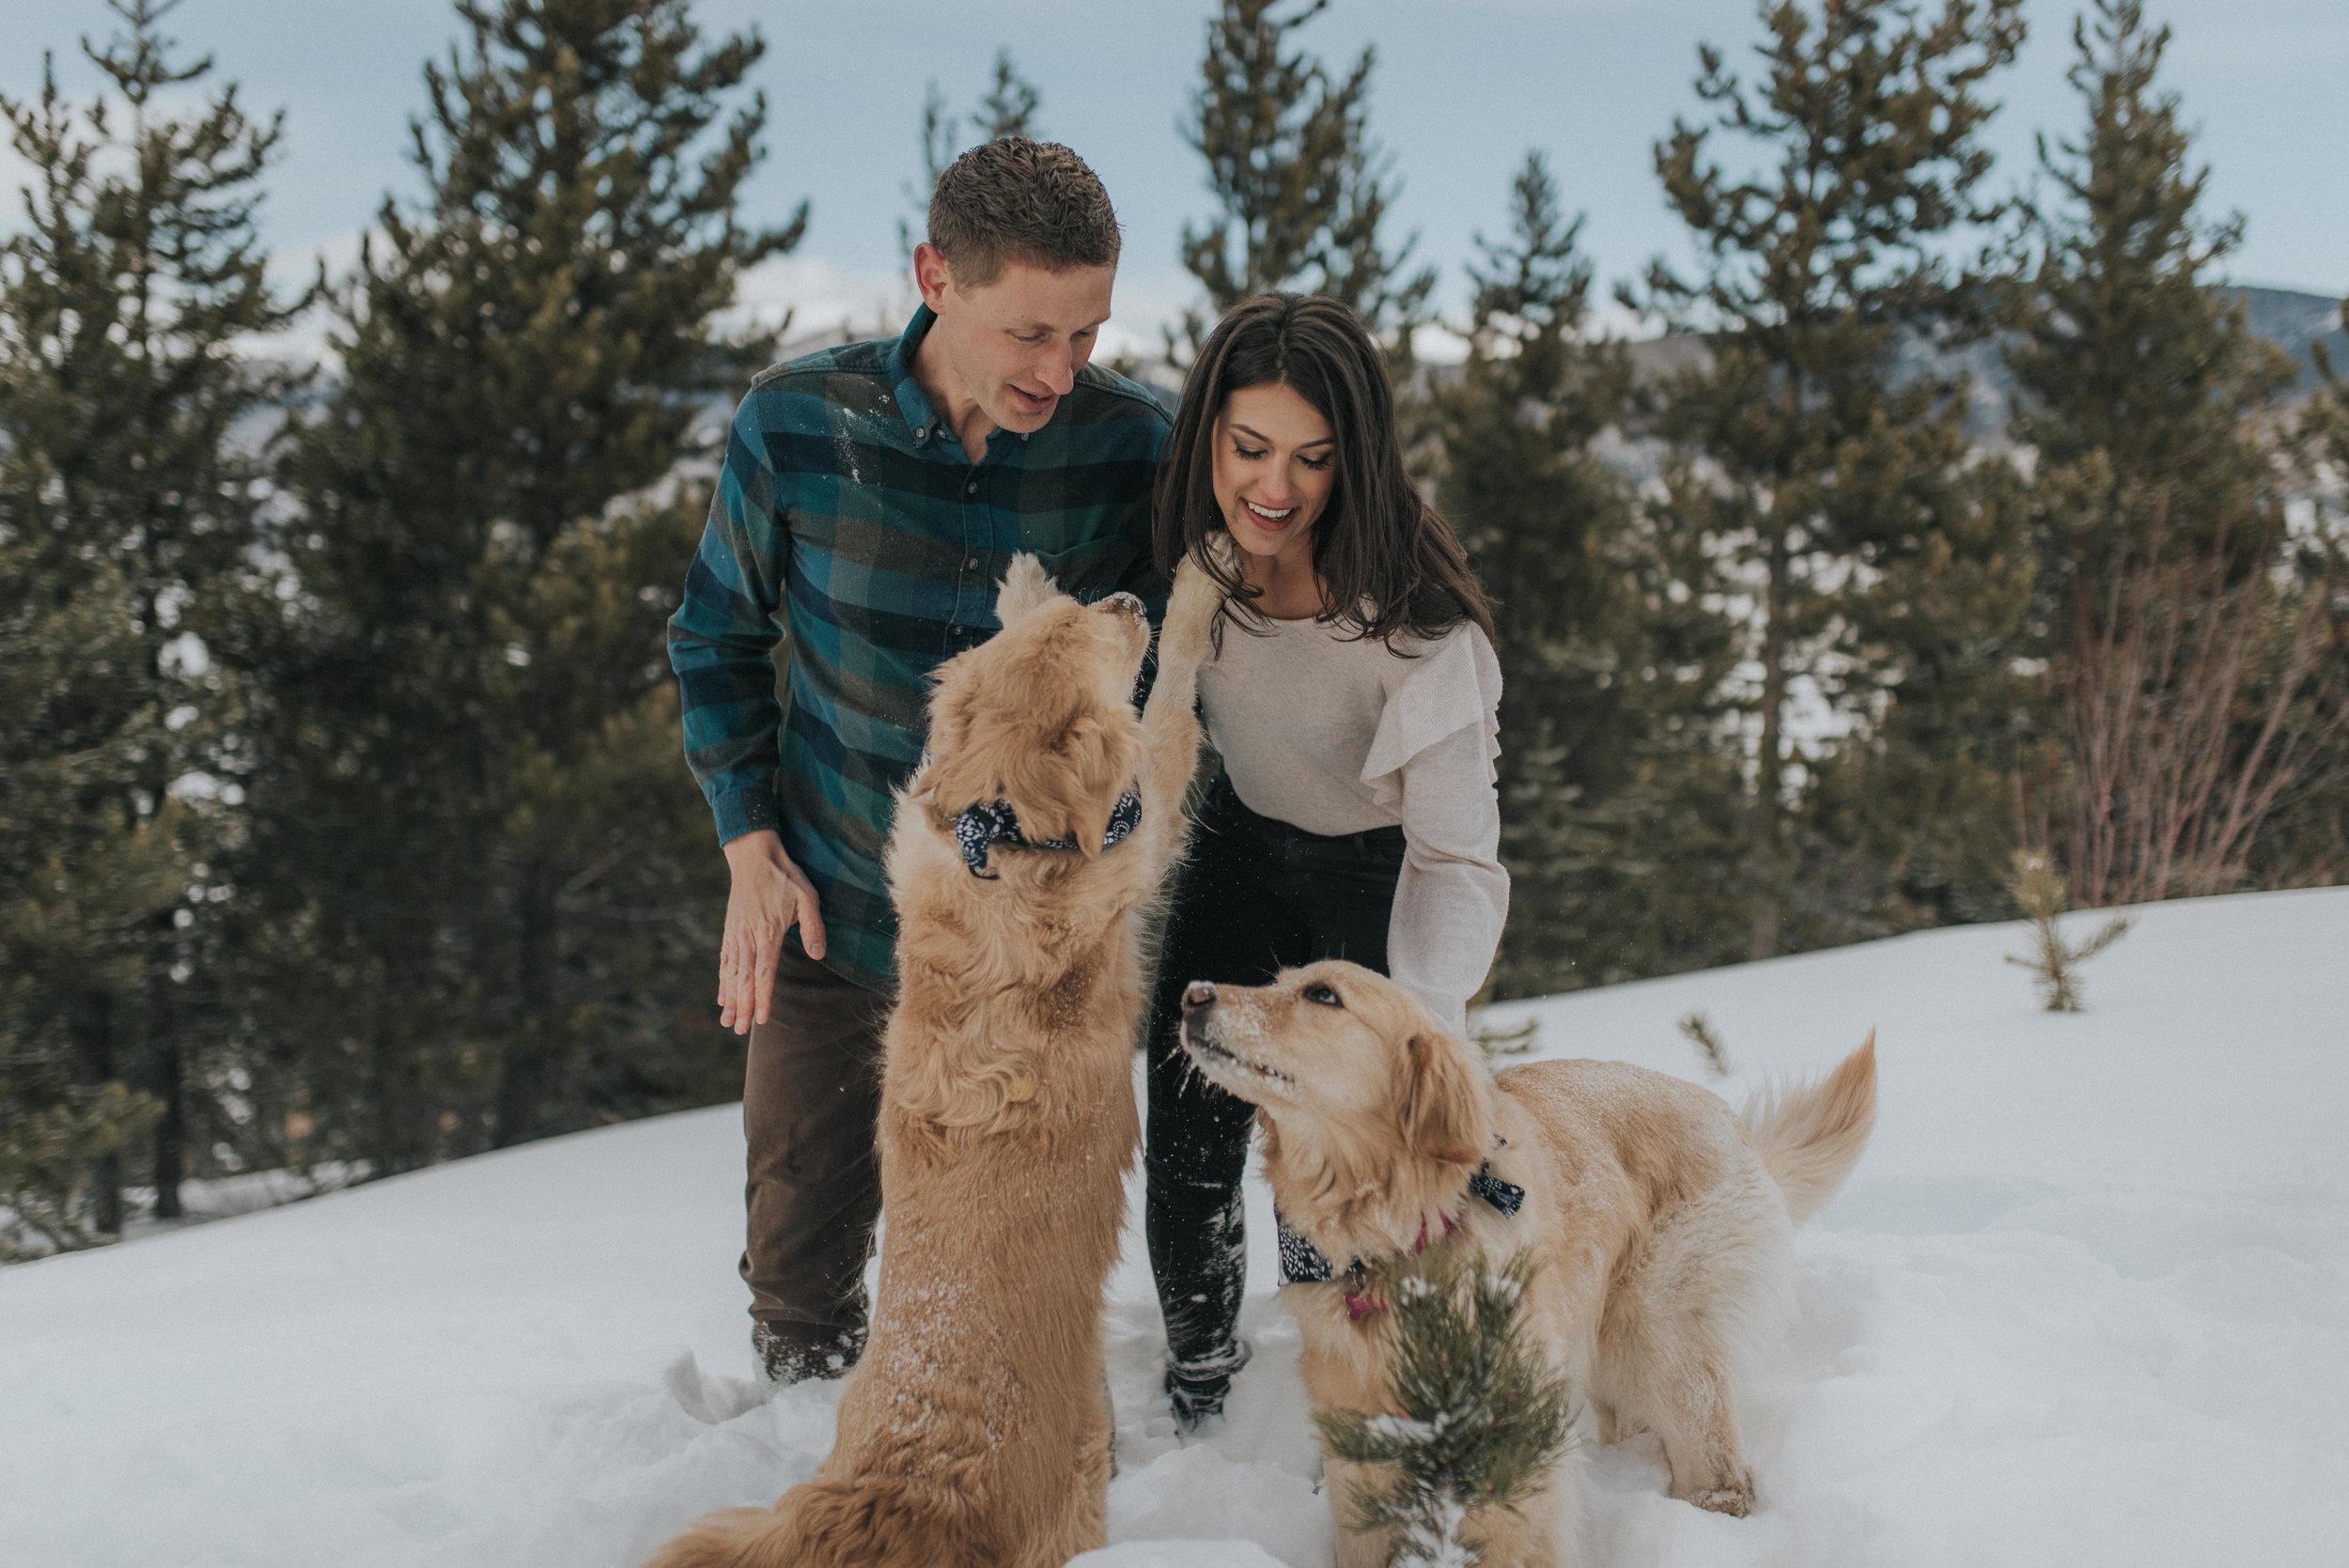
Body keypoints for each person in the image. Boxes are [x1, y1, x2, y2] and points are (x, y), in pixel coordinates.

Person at [667, 138, 1172, 1384]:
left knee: (1006, 1296)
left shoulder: (1129, 451)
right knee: (803, 1287)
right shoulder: (797, 423)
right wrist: (748, 844)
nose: (1060, 370)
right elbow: (716, 637)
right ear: (935, 276)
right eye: (1029, 333)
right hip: (838, 920)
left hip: (1028, 957)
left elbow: (1156, 691)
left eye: (1087, 333)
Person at [1143, 293, 1508, 1425]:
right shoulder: (1195, 562)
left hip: (1376, 873)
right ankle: (1202, 1371)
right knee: (1190, 1121)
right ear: (1207, 430)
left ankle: (1355, 1393)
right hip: (1240, 847)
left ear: (1355, 458)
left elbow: (1457, 858)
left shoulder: (1418, 628)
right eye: (1249, 448)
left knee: (1345, 1157)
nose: (1275, 486)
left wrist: (1425, 1021)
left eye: (1311, 458)